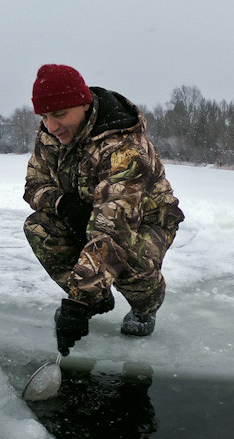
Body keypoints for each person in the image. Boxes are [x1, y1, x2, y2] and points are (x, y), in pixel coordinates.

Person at [23, 64, 184, 356]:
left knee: (128, 259)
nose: (51, 125)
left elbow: (114, 230)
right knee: (39, 226)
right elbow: (34, 184)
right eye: (44, 116)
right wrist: (63, 204)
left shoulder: (124, 149)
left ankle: (147, 305)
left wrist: (78, 304)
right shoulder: (49, 135)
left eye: (59, 114)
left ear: (84, 104)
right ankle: (98, 295)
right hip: (93, 215)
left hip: (145, 220)